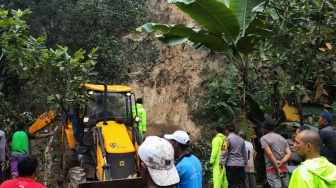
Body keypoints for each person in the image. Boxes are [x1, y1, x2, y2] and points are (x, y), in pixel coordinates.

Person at [260, 119, 291, 188]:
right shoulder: (282, 138)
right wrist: (281, 162)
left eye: (262, 127)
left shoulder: (264, 138)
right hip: (284, 168)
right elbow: (288, 153)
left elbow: (269, 154)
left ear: (266, 129)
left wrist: (277, 168)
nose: (261, 129)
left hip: (272, 168)